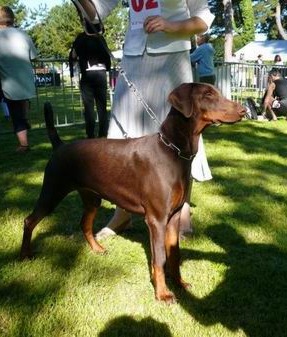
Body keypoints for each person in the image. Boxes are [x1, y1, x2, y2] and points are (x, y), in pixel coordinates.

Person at [78, 0, 214, 239]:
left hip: (171, 58)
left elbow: (202, 20)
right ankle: (123, 212)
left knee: (178, 137)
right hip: (133, 58)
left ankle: (181, 211)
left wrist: (170, 25)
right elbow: (96, 13)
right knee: (124, 134)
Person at [0, 6, 37, 152]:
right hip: (25, 79)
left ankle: (24, 144)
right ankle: (24, 130)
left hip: (6, 81)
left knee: (16, 114)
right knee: (21, 109)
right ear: (13, 19)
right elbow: (33, 55)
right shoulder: (23, 34)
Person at [69, 26, 111, 138]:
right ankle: (103, 134)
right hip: (101, 74)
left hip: (88, 74)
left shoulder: (81, 38)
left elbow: (73, 55)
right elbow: (107, 57)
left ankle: (90, 135)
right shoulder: (100, 38)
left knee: (89, 108)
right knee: (102, 108)